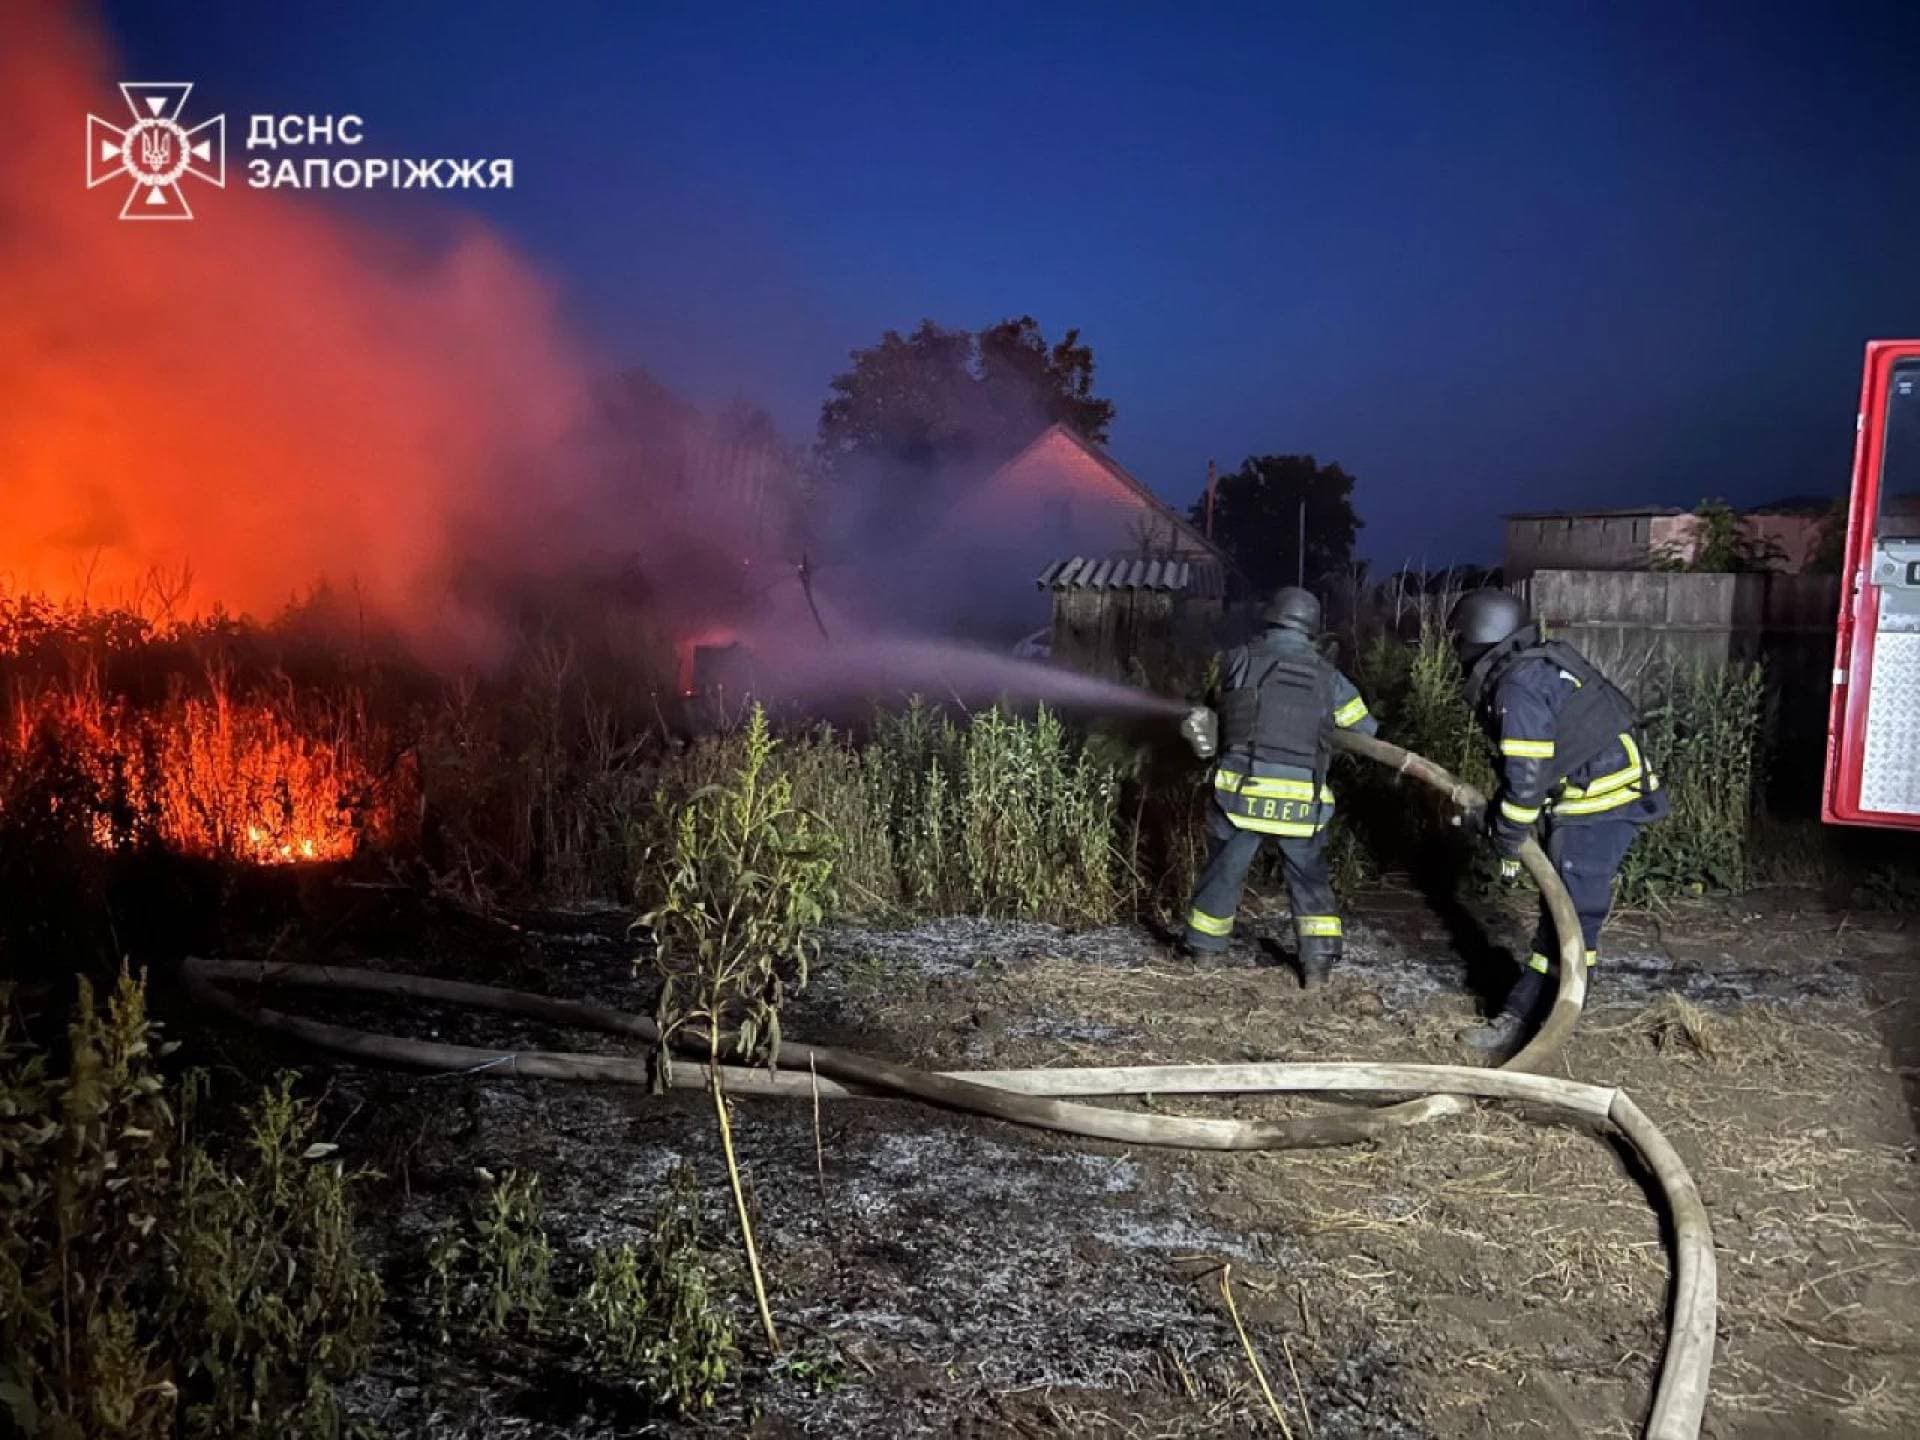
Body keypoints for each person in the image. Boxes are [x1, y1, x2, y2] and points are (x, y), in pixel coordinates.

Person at [1446, 588, 1668, 1057]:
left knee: (1570, 920)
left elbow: (1525, 784)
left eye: (1459, 639)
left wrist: (1504, 838)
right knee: (1561, 913)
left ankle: (1538, 1021)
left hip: (1598, 805)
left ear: (1478, 636)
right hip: (1600, 795)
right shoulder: (1536, 665)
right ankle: (1541, 1010)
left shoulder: (1517, 687)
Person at [1180, 586, 1377, 988]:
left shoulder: (1237, 659)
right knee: (1309, 878)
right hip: (1303, 802)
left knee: (1224, 870)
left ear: (1271, 618)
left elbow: (1212, 708)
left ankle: (1204, 954)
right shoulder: (1329, 676)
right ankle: (1317, 968)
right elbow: (1365, 731)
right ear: (1312, 628)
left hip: (1241, 794)